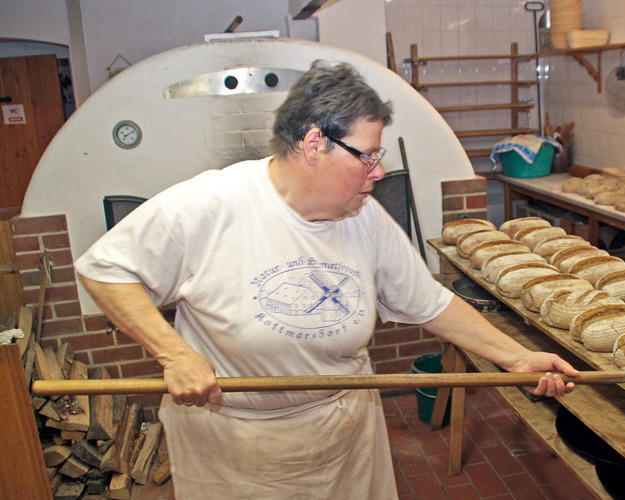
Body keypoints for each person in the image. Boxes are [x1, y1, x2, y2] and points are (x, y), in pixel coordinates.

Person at [75, 60, 579, 499]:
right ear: (314, 143)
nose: (378, 172)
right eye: (368, 155)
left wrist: (515, 357)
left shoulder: (364, 217)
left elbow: (429, 304)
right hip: (237, 447)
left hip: (343, 439)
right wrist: (175, 354)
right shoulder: (210, 204)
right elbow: (105, 269)